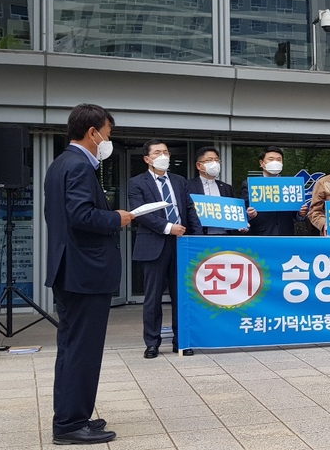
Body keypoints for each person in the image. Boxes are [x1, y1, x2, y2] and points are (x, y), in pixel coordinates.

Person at [44, 104, 131, 445]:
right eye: (107, 135)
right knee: (81, 349)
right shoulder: (78, 166)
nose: (107, 142)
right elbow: (81, 215)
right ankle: (69, 424)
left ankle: (73, 415)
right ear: (93, 132)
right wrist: (118, 219)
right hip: (84, 271)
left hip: (73, 269)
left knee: (72, 347)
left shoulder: (61, 163)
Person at [128, 140, 202, 359]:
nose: (164, 156)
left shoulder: (179, 181)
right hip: (154, 244)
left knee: (183, 296)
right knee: (153, 298)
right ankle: (152, 343)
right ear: (147, 159)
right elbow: (139, 212)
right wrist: (168, 227)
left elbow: (190, 210)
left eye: (166, 152)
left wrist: (195, 238)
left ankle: (182, 341)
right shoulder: (137, 182)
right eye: (158, 153)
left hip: (181, 245)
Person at [242, 146, 309, 236]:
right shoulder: (250, 185)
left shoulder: (289, 184)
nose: (275, 162)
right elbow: (243, 212)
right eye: (271, 159)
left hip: (286, 235)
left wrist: (301, 213)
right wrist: (249, 215)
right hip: (261, 236)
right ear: (262, 163)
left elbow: (296, 214)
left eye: (278, 160)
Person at [186, 146, 245, 235]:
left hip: (224, 236)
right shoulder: (188, 186)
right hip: (200, 236)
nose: (214, 163)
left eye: (217, 160)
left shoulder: (226, 188)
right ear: (199, 165)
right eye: (210, 160)